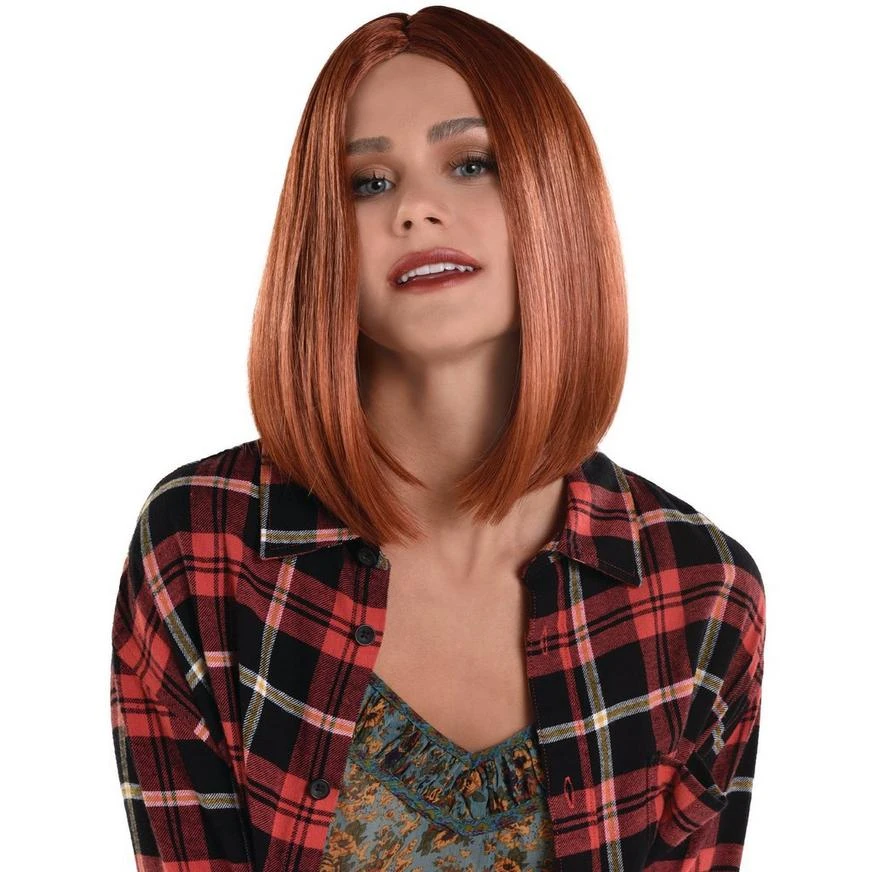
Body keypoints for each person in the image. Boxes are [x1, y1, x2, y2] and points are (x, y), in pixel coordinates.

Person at [109, 7, 766, 871]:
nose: (416, 209)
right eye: (369, 182)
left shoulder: (699, 591)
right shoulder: (204, 545)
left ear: (554, 197)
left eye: (470, 163)